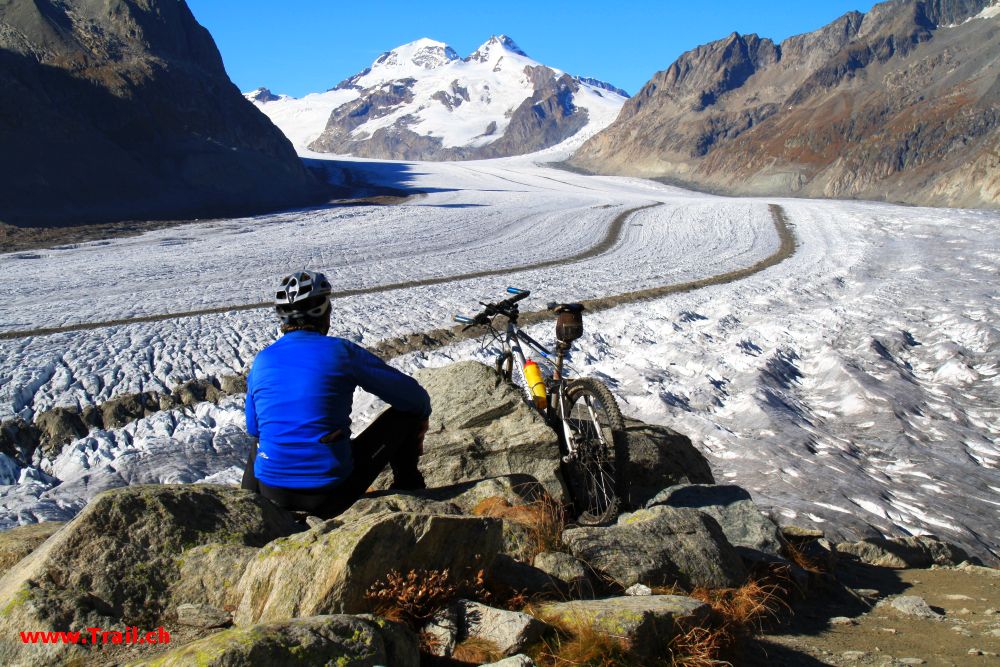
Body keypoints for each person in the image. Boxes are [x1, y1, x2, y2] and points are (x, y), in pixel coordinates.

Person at [241, 270, 431, 518]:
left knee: (262, 440)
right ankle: (409, 486)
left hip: (273, 492)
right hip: (331, 494)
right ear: (324, 311)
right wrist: (421, 421)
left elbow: (253, 428)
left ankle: (249, 510)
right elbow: (415, 399)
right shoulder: (340, 352)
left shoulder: (262, 360)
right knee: (406, 416)